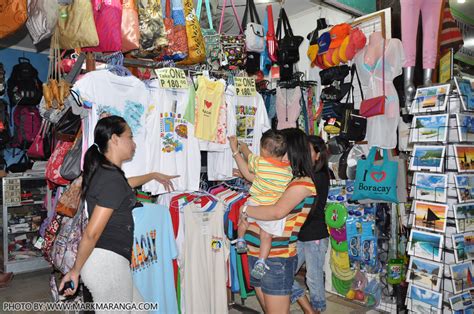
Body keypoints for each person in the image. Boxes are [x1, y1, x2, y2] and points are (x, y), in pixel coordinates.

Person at [59, 116, 178, 308]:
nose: (134, 143)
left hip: (112, 263)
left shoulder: (108, 175)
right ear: (115, 139)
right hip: (107, 264)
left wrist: (153, 175)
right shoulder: (111, 179)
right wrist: (75, 270)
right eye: (130, 137)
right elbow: (92, 232)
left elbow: (125, 185)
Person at [239, 128, 319, 313]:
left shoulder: (303, 183)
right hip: (257, 254)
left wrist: (245, 209)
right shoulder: (285, 179)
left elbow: (276, 212)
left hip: (277, 258)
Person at [229, 130, 293, 279]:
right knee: (266, 236)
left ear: (264, 150)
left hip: (255, 204)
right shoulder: (287, 171)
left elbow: (248, 163)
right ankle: (262, 262)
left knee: (243, 219)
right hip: (271, 209)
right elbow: (260, 178)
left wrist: (239, 148)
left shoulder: (260, 163)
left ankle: (240, 239)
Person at [291, 136, 330, 314]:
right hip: (300, 233)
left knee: (313, 278)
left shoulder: (320, 175)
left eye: (309, 150)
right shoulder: (304, 173)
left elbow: (309, 208)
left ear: (318, 154)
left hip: (315, 235)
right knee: (285, 273)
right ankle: (308, 306)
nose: (305, 154)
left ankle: (317, 309)